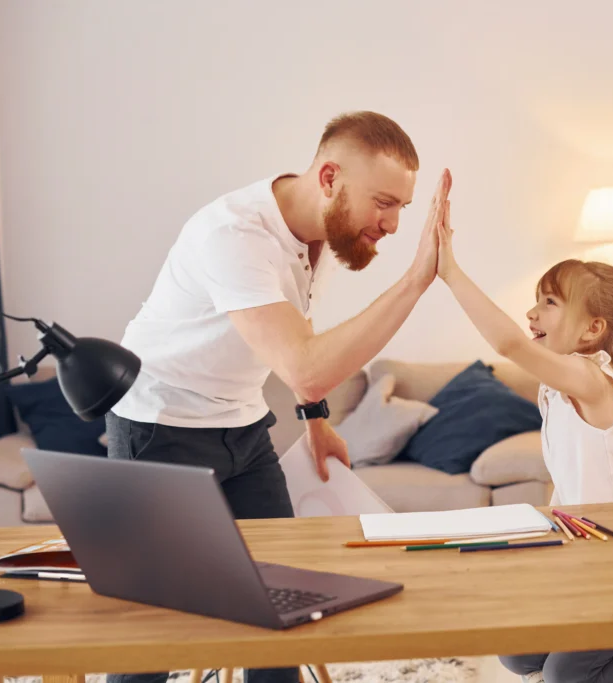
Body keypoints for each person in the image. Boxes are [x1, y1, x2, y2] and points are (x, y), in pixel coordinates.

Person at [105, 111, 451, 683]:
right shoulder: (235, 235)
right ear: (329, 177)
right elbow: (305, 366)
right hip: (158, 427)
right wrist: (415, 280)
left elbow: (295, 338)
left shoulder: (317, 234)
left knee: (281, 608)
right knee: (155, 632)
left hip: (242, 428)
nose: (391, 224)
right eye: (383, 202)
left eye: (402, 209)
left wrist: (316, 421)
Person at [433, 206, 613, 683]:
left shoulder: (593, 379)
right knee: (516, 656)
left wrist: (450, 272)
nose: (532, 313)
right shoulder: (560, 390)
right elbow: (569, 485)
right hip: (589, 569)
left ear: (592, 329)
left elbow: (510, 345)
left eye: (550, 303)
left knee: (561, 677)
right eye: (537, 301)